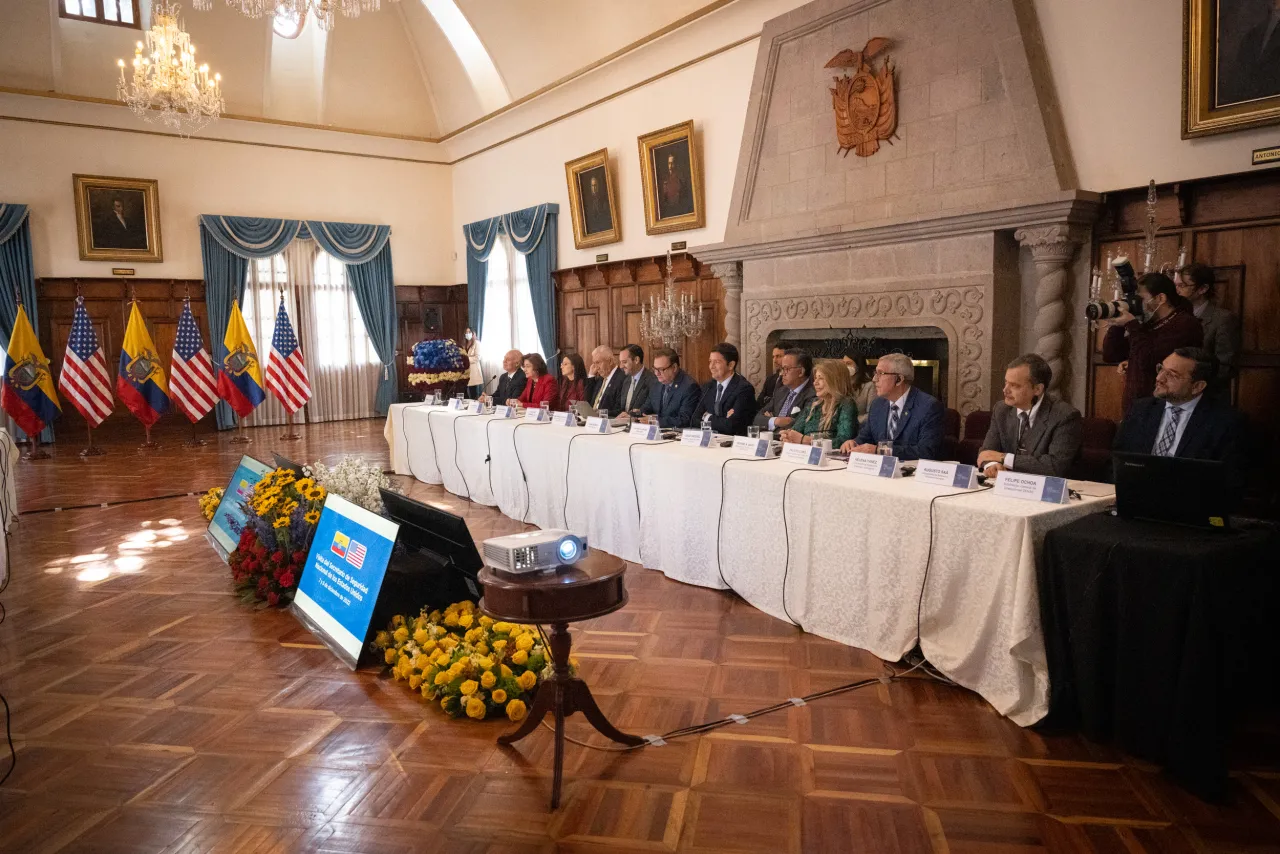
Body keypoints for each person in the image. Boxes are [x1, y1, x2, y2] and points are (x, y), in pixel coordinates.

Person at [1113, 347, 1246, 493]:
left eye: (1172, 375)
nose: (1159, 378)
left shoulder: (1225, 422)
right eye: (1161, 369)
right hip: (1134, 497)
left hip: (1188, 503)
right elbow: (1117, 461)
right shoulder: (1140, 409)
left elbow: (1228, 481)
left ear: (1197, 386)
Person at [1102, 272, 1203, 416]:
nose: (1135, 304)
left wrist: (1131, 325)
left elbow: (1149, 360)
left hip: (1163, 407)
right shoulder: (1145, 324)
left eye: (1140, 299)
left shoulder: (1185, 324)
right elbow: (1110, 355)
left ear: (1160, 298)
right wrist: (1117, 323)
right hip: (1135, 406)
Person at [976, 353, 1083, 478]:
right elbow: (987, 452)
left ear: (1037, 389)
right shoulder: (1002, 410)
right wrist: (992, 464)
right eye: (1006, 382)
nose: (1005, 390)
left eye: (1014, 385)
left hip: (1050, 491)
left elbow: (1054, 466)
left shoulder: (1065, 416)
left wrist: (1003, 458)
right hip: (1009, 487)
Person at [842, 353, 944, 461]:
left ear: (899, 379)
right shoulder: (878, 404)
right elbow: (866, 436)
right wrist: (853, 443)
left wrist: (880, 450)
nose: (874, 379)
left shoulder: (929, 407)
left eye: (880, 373)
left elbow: (927, 451)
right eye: (875, 373)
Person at [1175, 262, 1240, 396]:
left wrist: (1194, 385)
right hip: (1175, 393)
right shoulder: (1175, 316)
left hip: (1207, 395)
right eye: (1175, 285)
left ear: (1202, 289)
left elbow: (1227, 367)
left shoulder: (1223, 319)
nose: (1177, 290)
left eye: (1182, 285)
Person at [779, 360, 858, 447]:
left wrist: (807, 441)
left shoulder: (846, 404)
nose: (815, 383)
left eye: (821, 378)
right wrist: (788, 436)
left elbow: (844, 441)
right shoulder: (813, 404)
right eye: (815, 378)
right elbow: (795, 431)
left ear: (835, 380)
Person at [692, 343, 758, 435]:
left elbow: (731, 426)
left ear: (731, 365)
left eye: (717, 362)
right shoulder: (708, 386)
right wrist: (722, 420)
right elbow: (694, 419)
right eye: (710, 361)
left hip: (732, 444)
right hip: (710, 441)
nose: (711, 366)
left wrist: (706, 416)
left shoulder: (744, 389)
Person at [754, 349, 815, 432]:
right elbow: (757, 419)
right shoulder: (781, 392)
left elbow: (801, 426)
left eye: (787, 369)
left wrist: (770, 419)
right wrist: (776, 420)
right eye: (782, 369)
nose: (782, 373)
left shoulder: (813, 395)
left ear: (801, 372)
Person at [640, 348, 700, 429]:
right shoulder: (656, 383)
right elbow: (648, 407)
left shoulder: (689, 387)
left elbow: (685, 419)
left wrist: (656, 421)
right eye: (655, 369)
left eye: (661, 369)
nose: (657, 373)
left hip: (677, 435)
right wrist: (634, 414)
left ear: (674, 367)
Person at [584, 345, 625, 414]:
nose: (596, 368)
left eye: (598, 362)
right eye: (594, 363)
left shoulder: (622, 378)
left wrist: (600, 413)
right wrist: (591, 375)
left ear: (610, 361)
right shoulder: (601, 378)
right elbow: (587, 401)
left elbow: (620, 410)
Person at [617, 344, 656, 416]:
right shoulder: (626, 380)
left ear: (636, 360)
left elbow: (651, 410)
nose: (621, 366)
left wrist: (631, 415)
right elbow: (622, 409)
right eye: (620, 362)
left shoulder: (652, 380)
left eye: (624, 362)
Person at [841, 350, 876, 425]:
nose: (845, 367)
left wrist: (851, 422)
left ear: (858, 365)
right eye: (843, 364)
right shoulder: (840, 384)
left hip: (859, 427)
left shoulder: (870, 386)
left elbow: (871, 414)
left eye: (848, 363)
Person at [756, 343, 789, 410]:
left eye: (779, 356)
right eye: (773, 357)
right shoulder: (770, 379)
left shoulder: (793, 379)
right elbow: (759, 403)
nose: (774, 360)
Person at [464, 328, 483, 398]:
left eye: (469, 332)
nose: (467, 333)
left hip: (473, 371)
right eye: (466, 332)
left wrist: (466, 359)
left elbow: (477, 357)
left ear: (473, 333)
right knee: (465, 392)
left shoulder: (477, 343)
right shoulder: (465, 343)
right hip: (466, 371)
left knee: (473, 393)